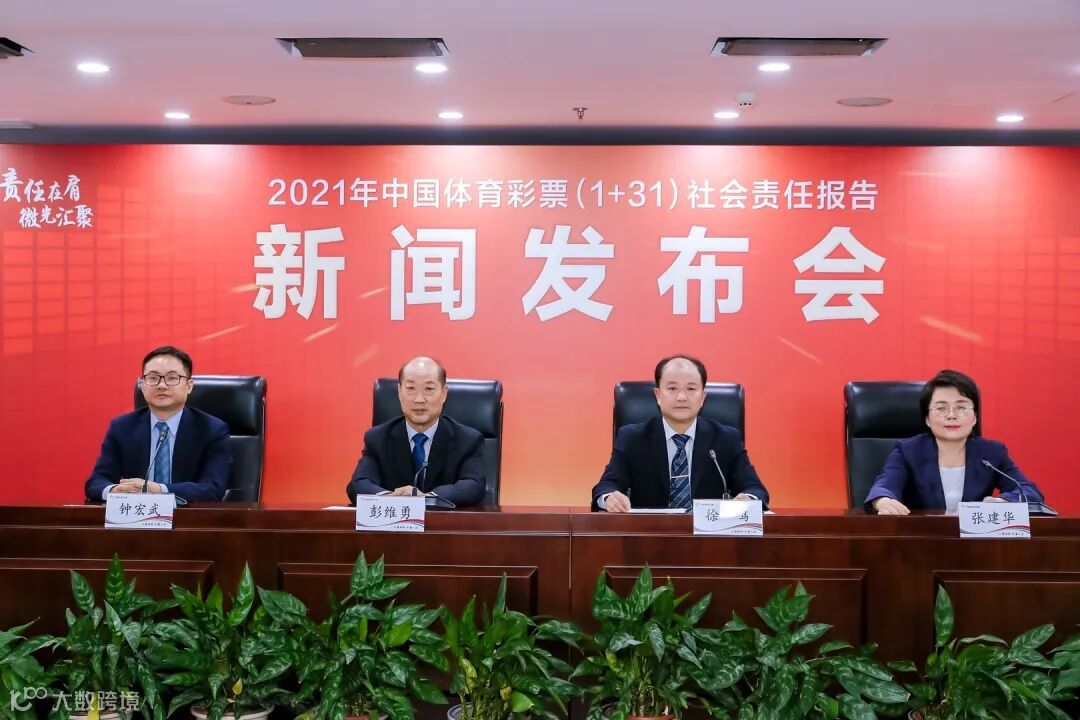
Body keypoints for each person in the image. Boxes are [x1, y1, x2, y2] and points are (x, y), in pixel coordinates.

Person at [591, 355, 769, 512]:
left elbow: (756, 490)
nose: (681, 397)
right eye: (672, 388)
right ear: (658, 395)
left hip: (709, 537)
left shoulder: (726, 439)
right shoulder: (632, 438)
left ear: (703, 397)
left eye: (691, 389)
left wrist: (748, 499)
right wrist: (609, 498)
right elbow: (605, 487)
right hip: (650, 535)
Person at [865, 369, 1045, 515]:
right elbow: (884, 486)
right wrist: (883, 500)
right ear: (927, 419)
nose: (952, 415)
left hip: (976, 541)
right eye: (941, 408)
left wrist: (1003, 502)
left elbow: (1029, 492)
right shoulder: (908, 451)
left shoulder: (992, 453)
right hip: (923, 539)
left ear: (975, 417)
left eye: (961, 407)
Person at [85, 346, 231, 503]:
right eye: (153, 378)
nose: (161, 385)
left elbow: (213, 488)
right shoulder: (122, 427)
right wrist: (114, 490)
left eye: (172, 378)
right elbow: (96, 483)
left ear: (189, 386)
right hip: (136, 515)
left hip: (188, 516)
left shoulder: (212, 430)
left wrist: (160, 490)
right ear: (142, 384)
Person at [346, 356, 485, 507]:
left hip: (443, 522)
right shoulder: (377, 439)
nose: (419, 399)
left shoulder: (468, 440)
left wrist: (427, 498)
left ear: (444, 393)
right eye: (411, 388)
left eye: (429, 389)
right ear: (399, 392)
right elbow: (358, 484)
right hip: (394, 521)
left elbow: (474, 485)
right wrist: (392, 499)